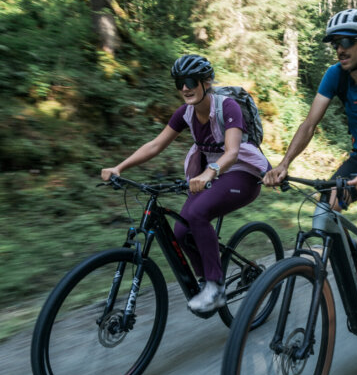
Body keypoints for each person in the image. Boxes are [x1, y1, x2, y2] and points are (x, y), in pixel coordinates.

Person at [263, 8, 357, 363]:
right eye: (335, 43)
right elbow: (309, 124)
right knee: (322, 214)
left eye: (346, 42)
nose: (339, 50)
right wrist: (284, 164)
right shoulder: (336, 75)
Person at [101, 54, 270, 313]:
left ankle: (215, 288)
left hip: (242, 174)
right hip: (209, 175)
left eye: (190, 81)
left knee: (197, 213)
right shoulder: (185, 113)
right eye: (179, 82)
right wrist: (119, 167)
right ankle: (205, 280)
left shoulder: (227, 107)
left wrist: (209, 172)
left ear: (206, 82)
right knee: (181, 231)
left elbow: (233, 152)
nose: (184, 88)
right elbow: (156, 145)